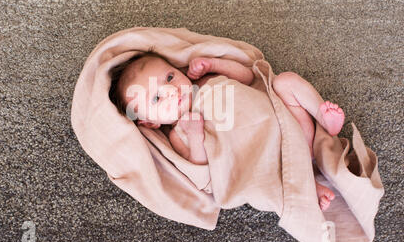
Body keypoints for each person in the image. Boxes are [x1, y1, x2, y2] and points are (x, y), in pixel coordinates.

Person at [109, 51, 344, 210]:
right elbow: (200, 167)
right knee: (262, 177)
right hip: (266, 156)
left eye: (169, 77)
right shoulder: (178, 133)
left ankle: (321, 115)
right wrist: (195, 136)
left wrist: (213, 64)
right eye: (157, 97)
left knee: (286, 81)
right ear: (151, 123)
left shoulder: (202, 83)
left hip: (292, 126)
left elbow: (247, 77)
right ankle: (308, 184)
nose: (172, 91)